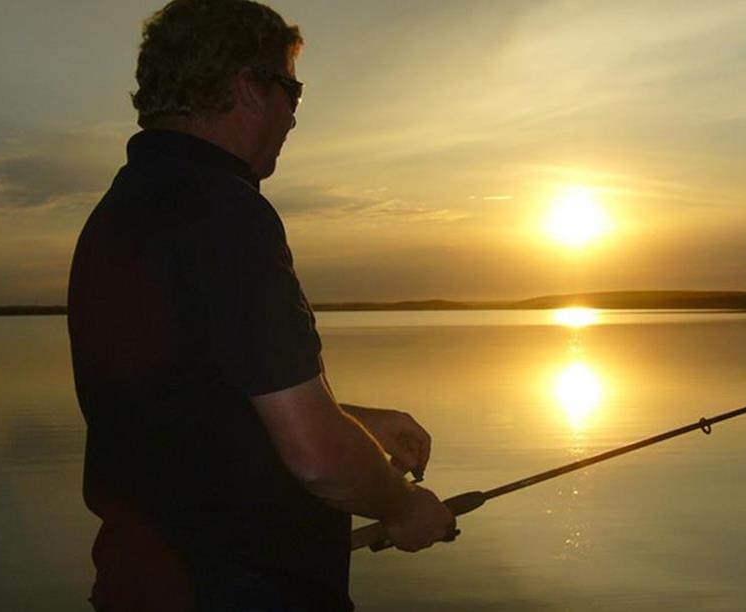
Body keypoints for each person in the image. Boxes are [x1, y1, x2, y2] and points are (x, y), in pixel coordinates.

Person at [67, 1, 456, 610]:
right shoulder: (226, 213)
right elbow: (318, 458)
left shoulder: (118, 213)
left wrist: (354, 422)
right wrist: (402, 506)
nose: (294, 116)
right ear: (249, 87)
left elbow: (190, 404)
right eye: (291, 91)